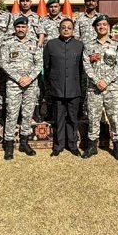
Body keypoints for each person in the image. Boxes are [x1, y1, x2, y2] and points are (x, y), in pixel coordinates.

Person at [81, 14, 118, 160]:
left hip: (111, 88)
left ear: (108, 27)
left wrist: (106, 81)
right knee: (93, 117)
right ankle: (92, 147)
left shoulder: (116, 45)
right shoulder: (88, 46)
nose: (102, 27)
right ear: (95, 28)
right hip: (94, 89)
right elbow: (86, 66)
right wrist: (97, 81)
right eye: (99, 25)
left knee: (114, 118)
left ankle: (117, 147)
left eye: (104, 24)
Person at [1, 16, 43, 160]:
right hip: (14, 84)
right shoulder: (8, 43)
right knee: (12, 113)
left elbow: (39, 63)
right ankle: (9, 145)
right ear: (14, 28)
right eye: (18, 27)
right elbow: (4, 63)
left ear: (27, 28)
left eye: (23, 27)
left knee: (27, 113)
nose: (20, 29)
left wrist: (29, 78)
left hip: (31, 84)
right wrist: (19, 78)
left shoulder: (35, 43)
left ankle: (24, 143)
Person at [43, 19, 83, 157]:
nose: (66, 30)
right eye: (63, 27)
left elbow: (82, 68)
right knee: (58, 118)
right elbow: (46, 66)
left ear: (73, 30)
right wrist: (51, 83)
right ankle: (59, 145)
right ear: (59, 29)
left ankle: (72, 145)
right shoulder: (51, 44)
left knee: (72, 118)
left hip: (74, 88)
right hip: (57, 87)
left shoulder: (79, 45)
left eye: (69, 28)